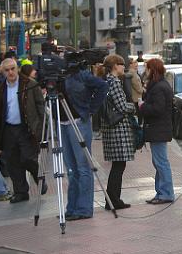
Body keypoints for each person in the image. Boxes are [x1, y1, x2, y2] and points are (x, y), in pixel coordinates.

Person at [0, 58, 47, 203]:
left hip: (27, 128)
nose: (10, 72)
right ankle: (21, 192)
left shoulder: (30, 84)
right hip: (8, 130)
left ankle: (39, 179)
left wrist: (42, 127)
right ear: (3, 72)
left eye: (12, 68)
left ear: (17, 68)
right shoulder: (0, 90)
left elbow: (41, 107)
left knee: (28, 158)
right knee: (12, 162)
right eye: (7, 70)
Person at [61, 64, 108, 220]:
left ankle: (84, 208)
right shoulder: (59, 75)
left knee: (82, 167)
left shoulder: (82, 75)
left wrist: (90, 110)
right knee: (71, 169)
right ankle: (72, 208)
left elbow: (103, 86)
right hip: (62, 122)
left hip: (79, 121)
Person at [101, 54, 137, 210]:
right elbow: (122, 107)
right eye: (122, 64)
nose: (124, 67)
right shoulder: (114, 82)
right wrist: (133, 107)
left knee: (117, 165)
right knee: (118, 166)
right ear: (115, 65)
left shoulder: (106, 81)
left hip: (110, 128)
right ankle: (114, 200)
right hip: (117, 129)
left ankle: (112, 199)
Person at [140, 58, 175, 204]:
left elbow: (158, 109)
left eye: (147, 68)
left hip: (158, 129)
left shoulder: (159, 87)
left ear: (152, 69)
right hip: (159, 129)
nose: (145, 71)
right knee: (159, 162)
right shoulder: (160, 84)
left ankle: (166, 193)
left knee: (161, 162)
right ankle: (161, 192)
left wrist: (143, 106)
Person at [128, 58, 144, 124]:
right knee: (138, 115)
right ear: (130, 64)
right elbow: (137, 85)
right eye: (134, 63)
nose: (136, 64)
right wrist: (142, 89)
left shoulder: (134, 72)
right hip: (136, 98)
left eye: (136, 62)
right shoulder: (132, 73)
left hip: (137, 98)